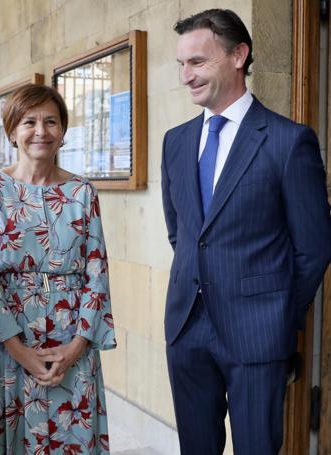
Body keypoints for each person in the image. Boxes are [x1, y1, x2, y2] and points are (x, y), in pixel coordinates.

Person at [161, 9, 331, 454]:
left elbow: (313, 247)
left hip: (258, 334)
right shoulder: (174, 141)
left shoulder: (287, 141)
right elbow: (182, 232)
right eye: (181, 64)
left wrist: (275, 313)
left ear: (239, 54)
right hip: (186, 327)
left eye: (197, 61)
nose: (186, 75)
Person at [0, 83, 116, 454]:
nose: (41, 131)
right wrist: (22, 353)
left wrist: (77, 345)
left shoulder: (83, 193)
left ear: (63, 131)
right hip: (10, 339)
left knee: (73, 436)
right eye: (29, 122)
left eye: (51, 121)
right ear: (13, 131)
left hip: (71, 339)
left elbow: (96, 271)